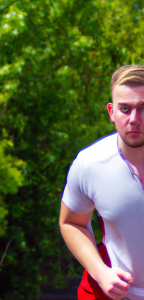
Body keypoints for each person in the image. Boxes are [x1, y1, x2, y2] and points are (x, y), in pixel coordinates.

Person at [59, 65, 144, 300]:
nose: (134, 119)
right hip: (111, 294)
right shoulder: (91, 163)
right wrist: (101, 273)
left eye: (143, 108)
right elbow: (71, 223)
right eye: (125, 109)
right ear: (111, 112)